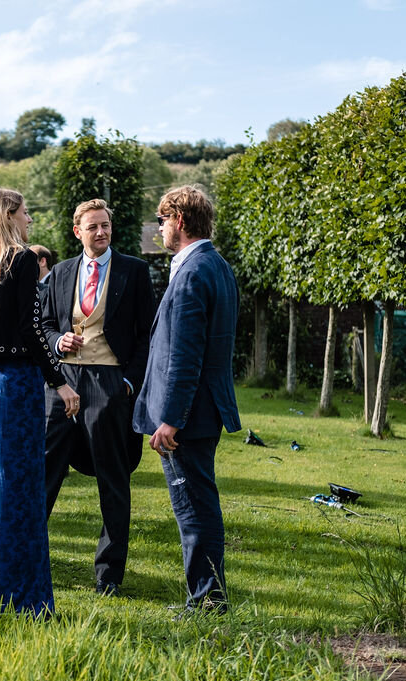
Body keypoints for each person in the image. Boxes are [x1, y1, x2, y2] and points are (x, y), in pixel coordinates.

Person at [0, 188, 79, 616]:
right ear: (8, 215)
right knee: (19, 486)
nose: (29, 220)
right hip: (15, 382)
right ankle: (23, 598)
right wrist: (59, 382)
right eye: (26, 213)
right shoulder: (21, 260)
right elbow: (30, 329)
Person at [133, 185, 241, 616]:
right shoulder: (214, 265)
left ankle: (206, 602)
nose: (158, 229)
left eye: (161, 221)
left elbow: (185, 354)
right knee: (199, 503)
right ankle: (208, 596)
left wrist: (170, 419)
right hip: (201, 410)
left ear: (178, 220)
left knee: (194, 509)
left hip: (188, 416)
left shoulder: (195, 271)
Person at [41, 198, 155, 597]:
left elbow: (146, 336)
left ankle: (109, 574)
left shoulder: (135, 272)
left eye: (105, 225)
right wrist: (58, 342)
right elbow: (44, 326)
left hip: (110, 383)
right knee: (44, 475)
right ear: (78, 231)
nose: (101, 232)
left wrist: (128, 384)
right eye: (93, 227)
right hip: (63, 384)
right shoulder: (60, 273)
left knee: (113, 480)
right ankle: (31, 559)